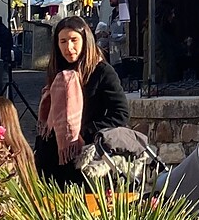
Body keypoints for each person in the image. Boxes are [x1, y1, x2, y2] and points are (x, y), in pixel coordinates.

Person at [34, 15, 129, 186]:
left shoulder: (101, 72)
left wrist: (84, 133)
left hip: (82, 159)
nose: (68, 47)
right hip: (50, 157)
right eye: (62, 41)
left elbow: (120, 114)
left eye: (73, 40)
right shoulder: (58, 72)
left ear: (85, 40)